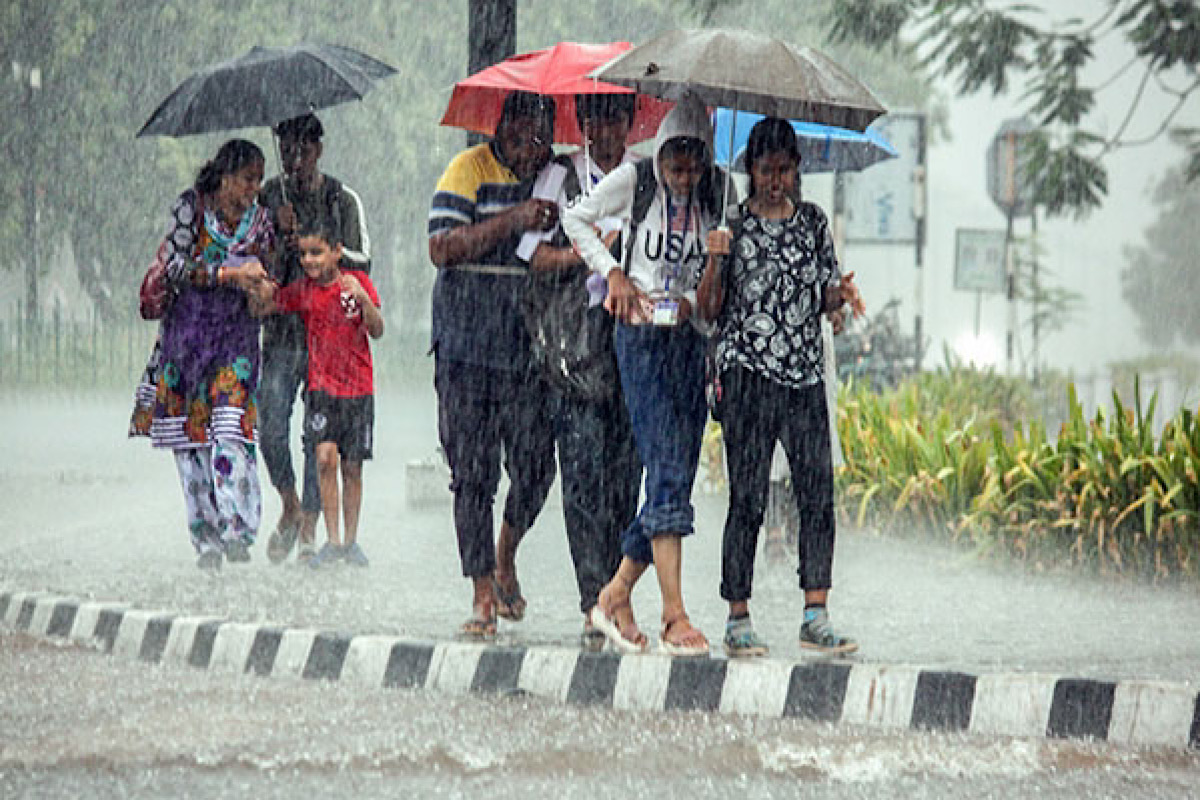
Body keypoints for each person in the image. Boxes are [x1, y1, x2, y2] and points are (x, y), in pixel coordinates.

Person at [563, 93, 733, 656]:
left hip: (688, 342)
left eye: (693, 166)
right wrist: (612, 273)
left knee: (675, 476)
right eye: (675, 166)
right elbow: (575, 218)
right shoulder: (633, 182)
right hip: (637, 338)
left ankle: (612, 594)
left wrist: (701, 281)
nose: (683, 178)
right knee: (662, 465)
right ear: (659, 156)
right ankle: (674, 614)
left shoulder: (719, 193)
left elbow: (710, 293)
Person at [697, 116, 864, 657]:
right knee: (747, 499)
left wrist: (840, 296)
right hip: (748, 375)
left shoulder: (813, 224)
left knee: (816, 494)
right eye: (767, 171)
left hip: (804, 376)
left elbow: (823, 296)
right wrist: (716, 261)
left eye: (786, 171)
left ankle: (815, 611)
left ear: (797, 171)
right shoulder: (732, 227)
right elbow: (709, 310)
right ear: (750, 170)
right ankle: (737, 614)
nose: (777, 181)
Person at [427, 91, 560, 639]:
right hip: (464, 345)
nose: (530, 143)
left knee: (535, 465)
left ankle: (506, 549)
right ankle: (482, 590)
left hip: (527, 347)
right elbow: (441, 247)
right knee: (473, 474)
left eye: (540, 133)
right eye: (521, 129)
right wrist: (513, 220)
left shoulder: (555, 177)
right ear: (501, 127)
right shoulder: (467, 169)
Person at [517, 93, 643, 650]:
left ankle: (618, 594)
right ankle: (591, 597)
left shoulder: (646, 180)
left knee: (626, 478)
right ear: (582, 121)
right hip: (572, 352)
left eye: (615, 116)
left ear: (630, 121)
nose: (604, 126)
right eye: (593, 116)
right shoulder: (560, 177)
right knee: (584, 478)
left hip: (634, 349)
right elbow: (532, 257)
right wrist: (592, 255)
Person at [129, 139, 274, 570]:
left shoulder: (262, 220)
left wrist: (263, 288)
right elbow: (174, 266)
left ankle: (237, 528)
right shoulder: (190, 207)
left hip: (236, 341)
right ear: (226, 176)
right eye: (248, 179)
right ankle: (206, 538)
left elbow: (269, 273)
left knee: (231, 428)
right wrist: (228, 274)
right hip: (186, 342)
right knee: (191, 443)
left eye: (259, 180)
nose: (254, 188)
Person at [259, 113, 373, 565]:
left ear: (319, 150)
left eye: (303, 149)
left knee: (317, 434)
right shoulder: (268, 198)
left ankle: (310, 520)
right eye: (286, 149)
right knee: (271, 422)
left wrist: (323, 262)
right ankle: (289, 502)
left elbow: (364, 258)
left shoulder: (341, 198)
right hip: (284, 332)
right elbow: (256, 265)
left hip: (329, 338)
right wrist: (275, 235)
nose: (294, 159)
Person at [263, 220, 383, 569]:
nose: (310, 261)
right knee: (325, 458)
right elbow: (273, 303)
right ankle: (330, 540)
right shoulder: (304, 291)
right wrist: (253, 285)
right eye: (303, 254)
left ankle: (351, 541)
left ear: (336, 251)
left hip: (358, 389)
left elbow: (377, 330)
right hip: (321, 389)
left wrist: (364, 301)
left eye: (317, 253)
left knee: (353, 467)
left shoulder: (355, 285)